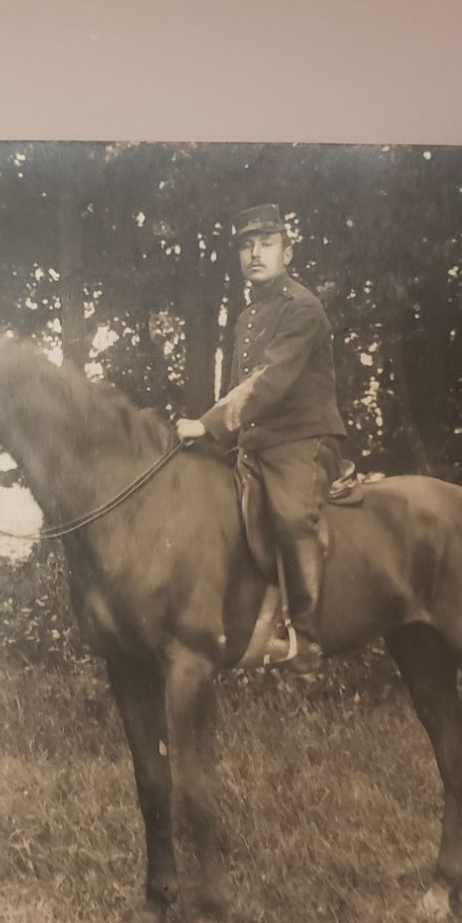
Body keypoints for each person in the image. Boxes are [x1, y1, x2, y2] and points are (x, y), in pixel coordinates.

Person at [176, 204, 346, 676]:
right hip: (256, 444)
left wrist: (207, 423)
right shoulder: (247, 316)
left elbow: (270, 380)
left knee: (292, 516)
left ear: (286, 252)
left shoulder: (303, 308)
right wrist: (215, 439)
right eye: (247, 246)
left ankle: (306, 639)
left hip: (303, 439)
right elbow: (238, 388)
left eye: (266, 244)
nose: (255, 253)